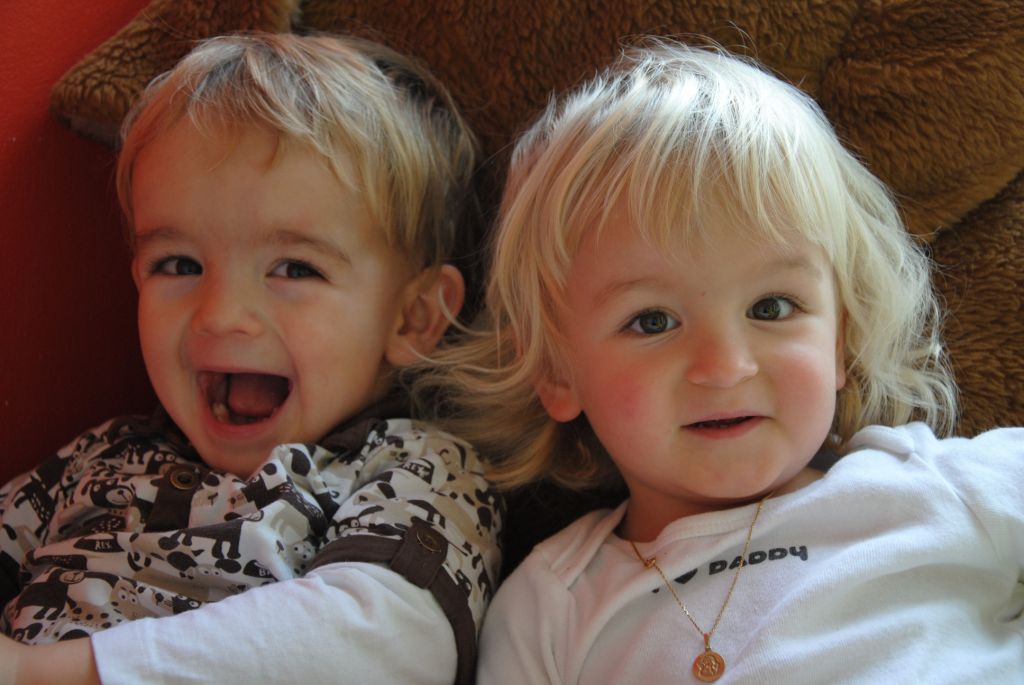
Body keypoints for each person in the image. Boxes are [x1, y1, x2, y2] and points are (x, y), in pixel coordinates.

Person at [414, 41, 1024, 683]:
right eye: (652, 321)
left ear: (839, 341)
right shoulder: (552, 604)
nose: (726, 367)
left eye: (772, 307)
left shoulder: (942, 487)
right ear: (557, 373)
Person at [0, 32, 500, 685]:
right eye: (179, 264)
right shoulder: (98, 457)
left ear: (413, 317)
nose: (219, 313)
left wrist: (41, 673)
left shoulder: (417, 469)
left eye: (293, 268)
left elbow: (390, 642)